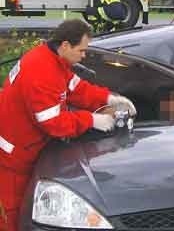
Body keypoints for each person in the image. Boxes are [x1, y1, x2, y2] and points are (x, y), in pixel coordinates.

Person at [0, 19, 136, 231]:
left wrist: (108, 98)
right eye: (81, 50)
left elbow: (77, 89)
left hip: (25, 146)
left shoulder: (54, 61)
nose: (84, 55)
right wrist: (93, 120)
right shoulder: (41, 71)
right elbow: (53, 123)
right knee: (14, 212)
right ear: (65, 45)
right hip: (14, 155)